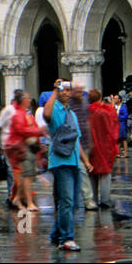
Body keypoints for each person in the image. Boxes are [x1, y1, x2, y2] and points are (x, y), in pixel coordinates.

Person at [43, 82, 92, 251]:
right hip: (60, 161)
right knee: (66, 201)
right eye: (63, 90)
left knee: (73, 203)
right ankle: (66, 238)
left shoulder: (71, 113)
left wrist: (85, 161)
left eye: (68, 90)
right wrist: (54, 91)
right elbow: (46, 114)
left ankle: (56, 234)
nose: (66, 92)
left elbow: (76, 139)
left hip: (74, 162)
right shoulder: (55, 109)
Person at [86, 89, 122, 214]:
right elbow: (113, 126)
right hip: (104, 145)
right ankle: (105, 200)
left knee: (91, 173)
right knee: (105, 174)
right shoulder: (105, 111)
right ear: (100, 97)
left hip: (90, 146)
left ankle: (92, 199)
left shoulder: (85, 111)